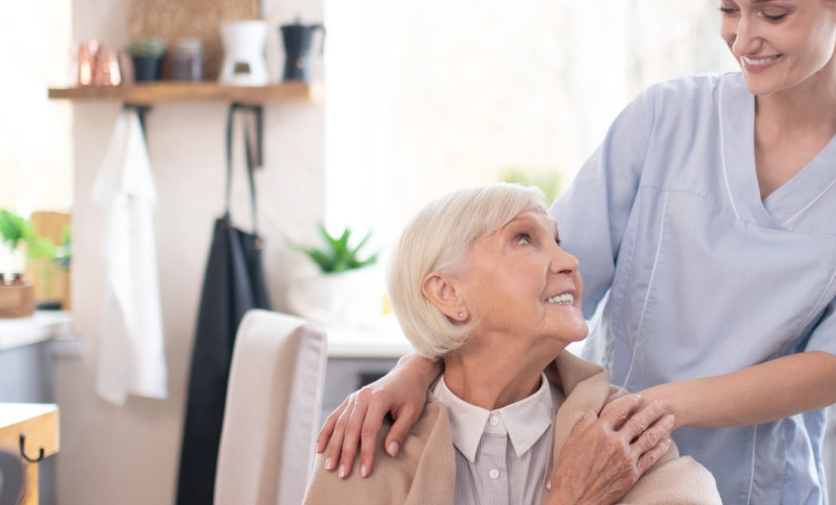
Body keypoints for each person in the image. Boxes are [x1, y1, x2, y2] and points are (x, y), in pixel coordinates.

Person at [318, 0, 836, 503]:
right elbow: (545, 286)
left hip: (756, 484)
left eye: (774, 13)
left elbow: (831, 368)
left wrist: (654, 408)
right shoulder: (665, 119)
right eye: (729, 9)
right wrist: (417, 367)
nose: (743, 37)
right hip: (609, 472)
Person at [304, 183, 720, 505]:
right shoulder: (364, 449)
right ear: (448, 293)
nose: (569, 262)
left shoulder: (620, 441)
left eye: (559, 242)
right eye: (523, 239)